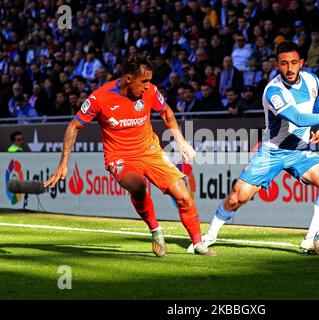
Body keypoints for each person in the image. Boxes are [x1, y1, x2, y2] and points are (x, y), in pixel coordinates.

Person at [187, 42, 319, 254]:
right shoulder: (273, 91)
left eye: (294, 63)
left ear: (301, 63)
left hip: (300, 151)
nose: (290, 68)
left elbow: (315, 104)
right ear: (277, 65)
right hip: (272, 152)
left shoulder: (312, 80)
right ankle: (209, 236)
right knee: (237, 197)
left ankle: (311, 239)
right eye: (284, 63)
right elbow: (297, 118)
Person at [44, 53, 215, 257]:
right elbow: (74, 126)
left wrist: (180, 140)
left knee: (184, 196)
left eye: (149, 81)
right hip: (120, 156)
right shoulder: (100, 98)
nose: (147, 86)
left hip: (150, 151)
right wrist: (64, 162)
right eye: (144, 81)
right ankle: (155, 230)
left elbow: (166, 112)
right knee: (138, 186)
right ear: (128, 78)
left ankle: (198, 243)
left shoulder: (150, 91)